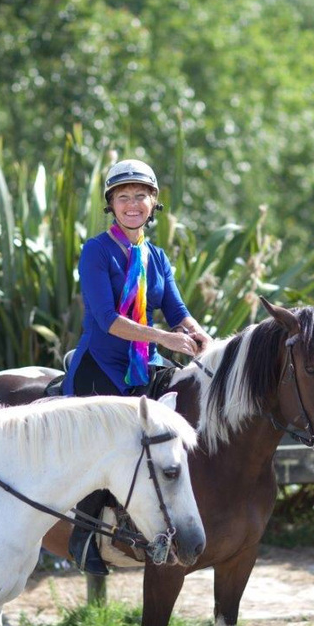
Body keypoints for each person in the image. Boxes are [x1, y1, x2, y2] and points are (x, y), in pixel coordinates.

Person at [65, 159, 212, 574]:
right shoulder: (96, 251)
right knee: (104, 444)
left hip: (144, 362)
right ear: (111, 204)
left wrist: (202, 339)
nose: (133, 204)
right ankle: (83, 536)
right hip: (101, 366)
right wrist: (166, 339)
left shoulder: (157, 256)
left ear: (153, 203)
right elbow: (107, 319)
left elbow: (176, 309)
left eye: (140, 196)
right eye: (123, 197)